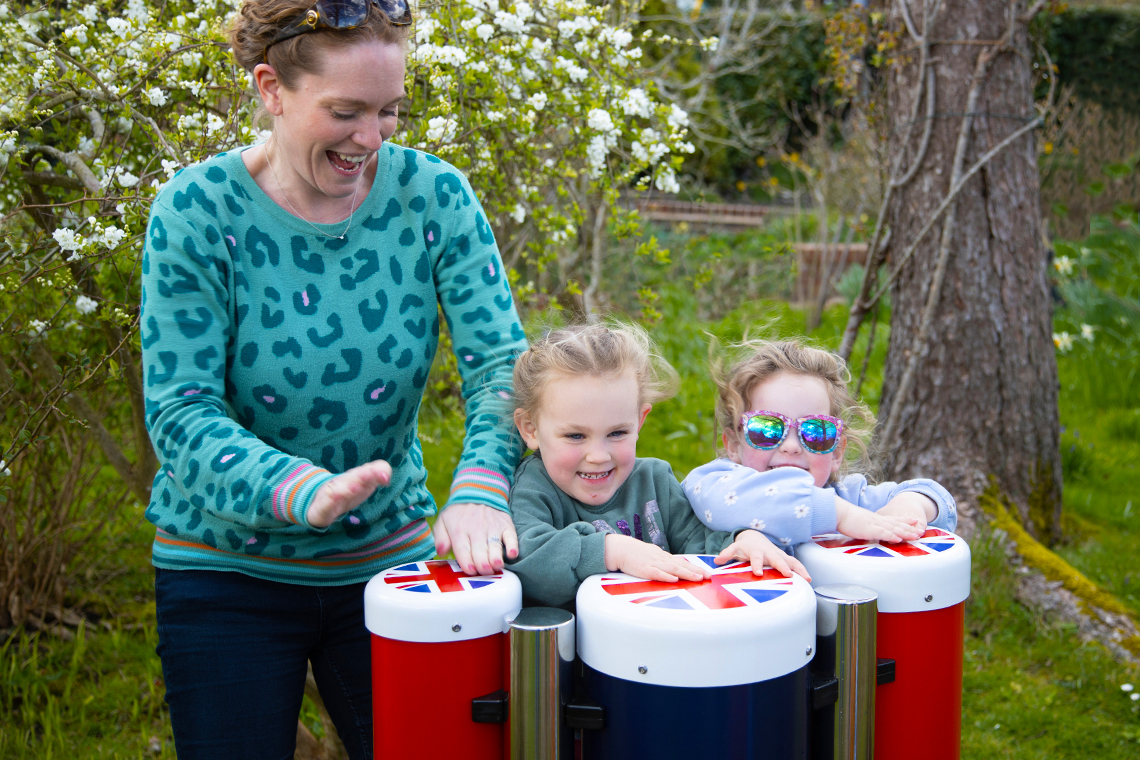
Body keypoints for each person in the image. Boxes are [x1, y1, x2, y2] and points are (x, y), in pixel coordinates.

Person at [141, 1, 527, 756]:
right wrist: (300, 491)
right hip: (224, 577)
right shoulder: (194, 211)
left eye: (389, 112)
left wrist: (483, 485)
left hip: (392, 567)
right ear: (270, 88)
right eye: (346, 111)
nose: (370, 139)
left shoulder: (434, 196)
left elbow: (503, 369)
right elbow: (181, 411)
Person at [505, 323, 806, 608]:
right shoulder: (533, 487)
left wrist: (741, 540)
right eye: (575, 435)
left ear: (640, 420)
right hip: (573, 653)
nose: (598, 455)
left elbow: (697, 540)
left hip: (658, 640)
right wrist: (613, 551)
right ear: (530, 428)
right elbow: (525, 559)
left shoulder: (654, 480)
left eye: (617, 433)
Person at [682, 339, 957, 553]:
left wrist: (911, 508)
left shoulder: (846, 496)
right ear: (733, 445)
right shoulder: (714, 484)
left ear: (836, 452)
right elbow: (742, 501)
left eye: (814, 432)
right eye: (766, 428)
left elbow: (932, 494)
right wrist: (839, 515)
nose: (791, 446)